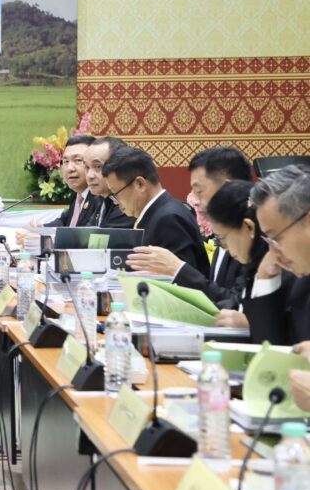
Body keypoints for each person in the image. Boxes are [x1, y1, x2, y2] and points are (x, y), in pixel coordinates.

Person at [127, 146, 253, 307]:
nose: (195, 201)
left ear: (225, 188)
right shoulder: (224, 227)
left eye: (199, 191)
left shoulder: (252, 232)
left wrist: (178, 269)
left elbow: (237, 303)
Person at [247, 166, 310, 411]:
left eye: (276, 238)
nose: (274, 251)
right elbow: (272, 348)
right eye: (268, 240)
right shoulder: (299, 278)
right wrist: (265, 276)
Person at [202, 181, 298, 343]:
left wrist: (252, 325)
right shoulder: (254, 266)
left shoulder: (288, 268)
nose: (224, 248)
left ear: (249, 227)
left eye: (222, 239)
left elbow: (293, 333)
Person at [102, 146, 209, 277]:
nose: (115, 201)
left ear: (140, 184)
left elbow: (182, 279)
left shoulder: (169, 219)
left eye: (115, 193)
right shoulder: (156, 213)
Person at [45, 134, 98, 227]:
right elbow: (64, 222)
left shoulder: (100, 198)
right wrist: (41, 229)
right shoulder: (78, 194)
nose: (70, 168)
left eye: (77, 160)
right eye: (66, 161)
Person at [82, 136, 134, 228]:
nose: (89, 176)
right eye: (87, 167)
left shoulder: (127, 205)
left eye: (98, 166)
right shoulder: (99, 198)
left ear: (119, 166)